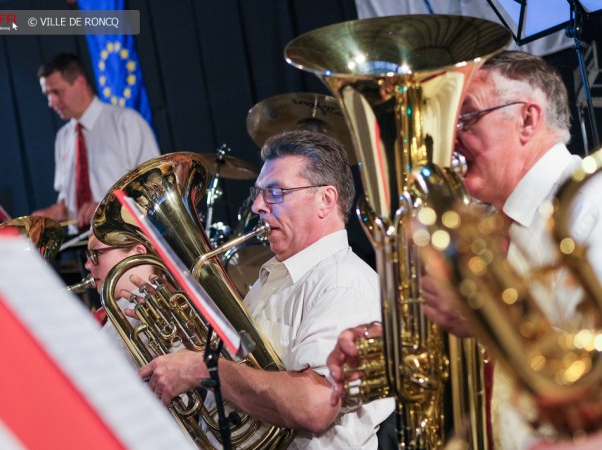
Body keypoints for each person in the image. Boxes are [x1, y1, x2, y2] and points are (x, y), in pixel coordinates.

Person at [328, 50, 602, 449]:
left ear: (527, 119)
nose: (451, 139)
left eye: (468, 117)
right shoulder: (488, 228)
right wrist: (387, 351)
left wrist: (484, 317)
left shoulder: (591, 204)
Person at [136, 130, 395, 449]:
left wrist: (203, 368)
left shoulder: (343, 281)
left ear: (325, 200)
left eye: (275, 192)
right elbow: (244, 368)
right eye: (258, 192)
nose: (258, 205)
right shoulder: (273, 276)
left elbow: (314, 405)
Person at [32, 53, 160, 230]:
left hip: (126, 243)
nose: (51, 103)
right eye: (47, 94)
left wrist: (106, 208)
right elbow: (65, 199)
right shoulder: (63, 137)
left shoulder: (126, 123)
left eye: (56, 92)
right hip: (82, 249)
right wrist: (54, 212)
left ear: (80, 82)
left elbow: (155, 189)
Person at [84, 231, 155, 370]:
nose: (88, 265)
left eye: (96, 254)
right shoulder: (112, 309)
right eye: (88, 255)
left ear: (138, 252)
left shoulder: (155, 307)